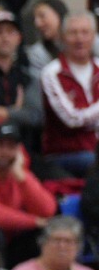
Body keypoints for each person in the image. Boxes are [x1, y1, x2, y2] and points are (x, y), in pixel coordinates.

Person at [38, 11, 99, 177]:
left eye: (85, 32)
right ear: (63, 37)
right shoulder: (52, 73)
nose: (79, 39)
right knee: (92, 161)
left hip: (93, 151)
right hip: (63, 155)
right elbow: (71, 119)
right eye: (73, 33)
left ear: (94, 36)